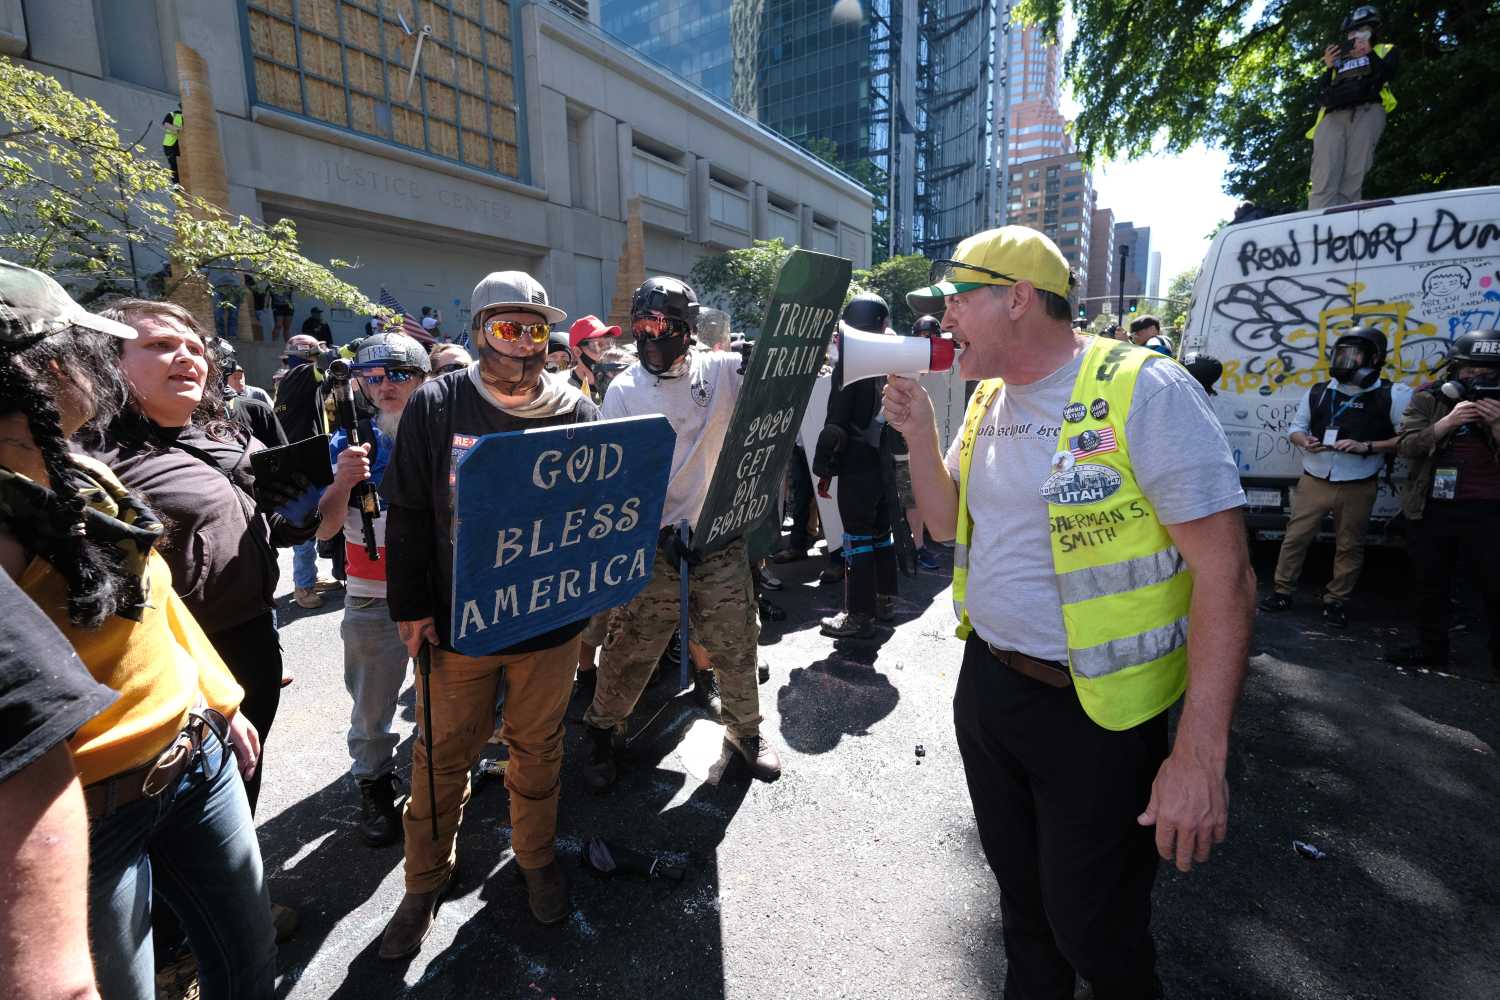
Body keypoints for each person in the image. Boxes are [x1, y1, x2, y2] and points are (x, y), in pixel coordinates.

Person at [883, 227, 1255, 999]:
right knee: (1021, 912)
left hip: (1098, 715)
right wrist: (920, 433)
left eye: (956, 301)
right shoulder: (987, 396)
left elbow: (1227, 576)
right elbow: (946, 523)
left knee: (1095, 927)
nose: (943, 319)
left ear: (1017, 298)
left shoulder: (1145, 388)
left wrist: (1197, 756)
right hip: (988, 689)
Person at [0, 261, 275, 1000]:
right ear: (47, 368)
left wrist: (218, 696)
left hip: (196, 763)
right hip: (85, 819)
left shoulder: (82, 472)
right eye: (90, 350)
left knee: (249, 969)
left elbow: (155, 598)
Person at [378, 271, 598, 954]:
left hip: (548, 623)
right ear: (478, 332)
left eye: (536, 328)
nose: (525, 344)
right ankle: (423, 882)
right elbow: (409, 508)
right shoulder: (438, 403)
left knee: (539, 751)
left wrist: (591, 594)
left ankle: (534, 862)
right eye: (509, 327)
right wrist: (411, 607)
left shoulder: (576, 408)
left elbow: (596, 512)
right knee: (441, 755)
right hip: (458, 621)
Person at [582, 276, 782, 791]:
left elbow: (775, 386)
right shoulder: (625, 389)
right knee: (631, 647)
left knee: (737, 641)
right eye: (641, 324)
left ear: (686, 328)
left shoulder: (719, 371)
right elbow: (618, 475)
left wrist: (770, 359)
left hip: (716, 538)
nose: (650, 335)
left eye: (662, 324)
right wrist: (655, 530)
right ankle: (602, 732)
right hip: (653, 544)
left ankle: (746, 733)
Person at [315, 331, 429, 847]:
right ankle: (374, 782)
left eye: (400, 375)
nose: (388, 387)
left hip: (437, 588)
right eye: (375, 377)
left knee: (443, 698)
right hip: (370, 590)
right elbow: (322, 531)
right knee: (372, 702)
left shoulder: (447, 431)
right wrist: (341, 483)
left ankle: (438, 777)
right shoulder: (345, 443)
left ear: (423, 379)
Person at [1, 568, 119, 1000]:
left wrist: (220, 697)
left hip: (189, 756)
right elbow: (59, 987)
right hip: (103, 802)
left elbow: (163, 603)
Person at [1259, 327, 1409, 626]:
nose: (1346, 361)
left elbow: (1409, 440)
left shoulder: (1392, 394)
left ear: (1375, 359)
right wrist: (1305, 441)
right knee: (1295, 538)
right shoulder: (1318, 391)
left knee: (1349, 545)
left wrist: (1367, 446)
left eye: (1354, 355)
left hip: (1358, 482)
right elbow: (1295, 429)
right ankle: (1282, 591)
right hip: (1315, 477)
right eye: (1341, 354)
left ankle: (1336, 601)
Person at [1386, 329, 1500, 673]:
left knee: (1494, 588)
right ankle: (1430, 650)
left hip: (1490, 510)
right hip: (1433, 507)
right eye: (1469, 371)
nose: (1476, 379)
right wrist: (1447, 423)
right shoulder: (1429, 398)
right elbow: (1405, 446)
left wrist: (1496, 425)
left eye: (1487, 373)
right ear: (1454, 369)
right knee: (1430, 584)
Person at [815, 293, 901, 638]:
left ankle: (858, 614)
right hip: (887, 464)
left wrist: (825, 470)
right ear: (883, 325)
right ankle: (885, 600)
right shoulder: (898, 361)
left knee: (857, 539)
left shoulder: (850, 364)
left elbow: (835, 427)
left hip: (856, 466)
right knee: (882, 533)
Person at [274, 332, 342, 608]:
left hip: (308, 459)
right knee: (304, 525)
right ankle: (303, 587)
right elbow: (324, 365)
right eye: (316, 354)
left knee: (314, 520)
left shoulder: (295, 380)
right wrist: (349, 350)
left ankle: (309, 578)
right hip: (300, 464)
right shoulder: (300, 374)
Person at [1307, 5, 1398, 209]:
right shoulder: (1337, 61)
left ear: (1373, 31)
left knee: (1354, 173)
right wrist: (1328, 67)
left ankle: (1345, 226)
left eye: (1362, 30)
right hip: (1333, 117)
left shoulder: (1385, 50)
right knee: (1325, 175)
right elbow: (1320, 96)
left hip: (1368, 112)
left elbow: (1387, 74)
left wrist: (1369, 55)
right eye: (1352, 32)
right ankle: (1316, 226)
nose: (1356, 36)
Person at [210, 338, 286, 449]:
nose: (239, 379)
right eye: (235, 376)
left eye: (240, 376)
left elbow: (282, 453)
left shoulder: (258, 405)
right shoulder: (192, 411)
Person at [567, 314, 622, 404]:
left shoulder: (619, 382)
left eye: (609, 342)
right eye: (597, 345)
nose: (607, 351)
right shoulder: (566, 390)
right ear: (577, 351)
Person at [161, 106, 181, 185]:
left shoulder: (192, 117)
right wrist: (179, 130)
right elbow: (166, 124)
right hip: (170, 144)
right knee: (173, 164)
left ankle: (179, 183)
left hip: (182, 145)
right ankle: (176, 184)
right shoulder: (173, 115)